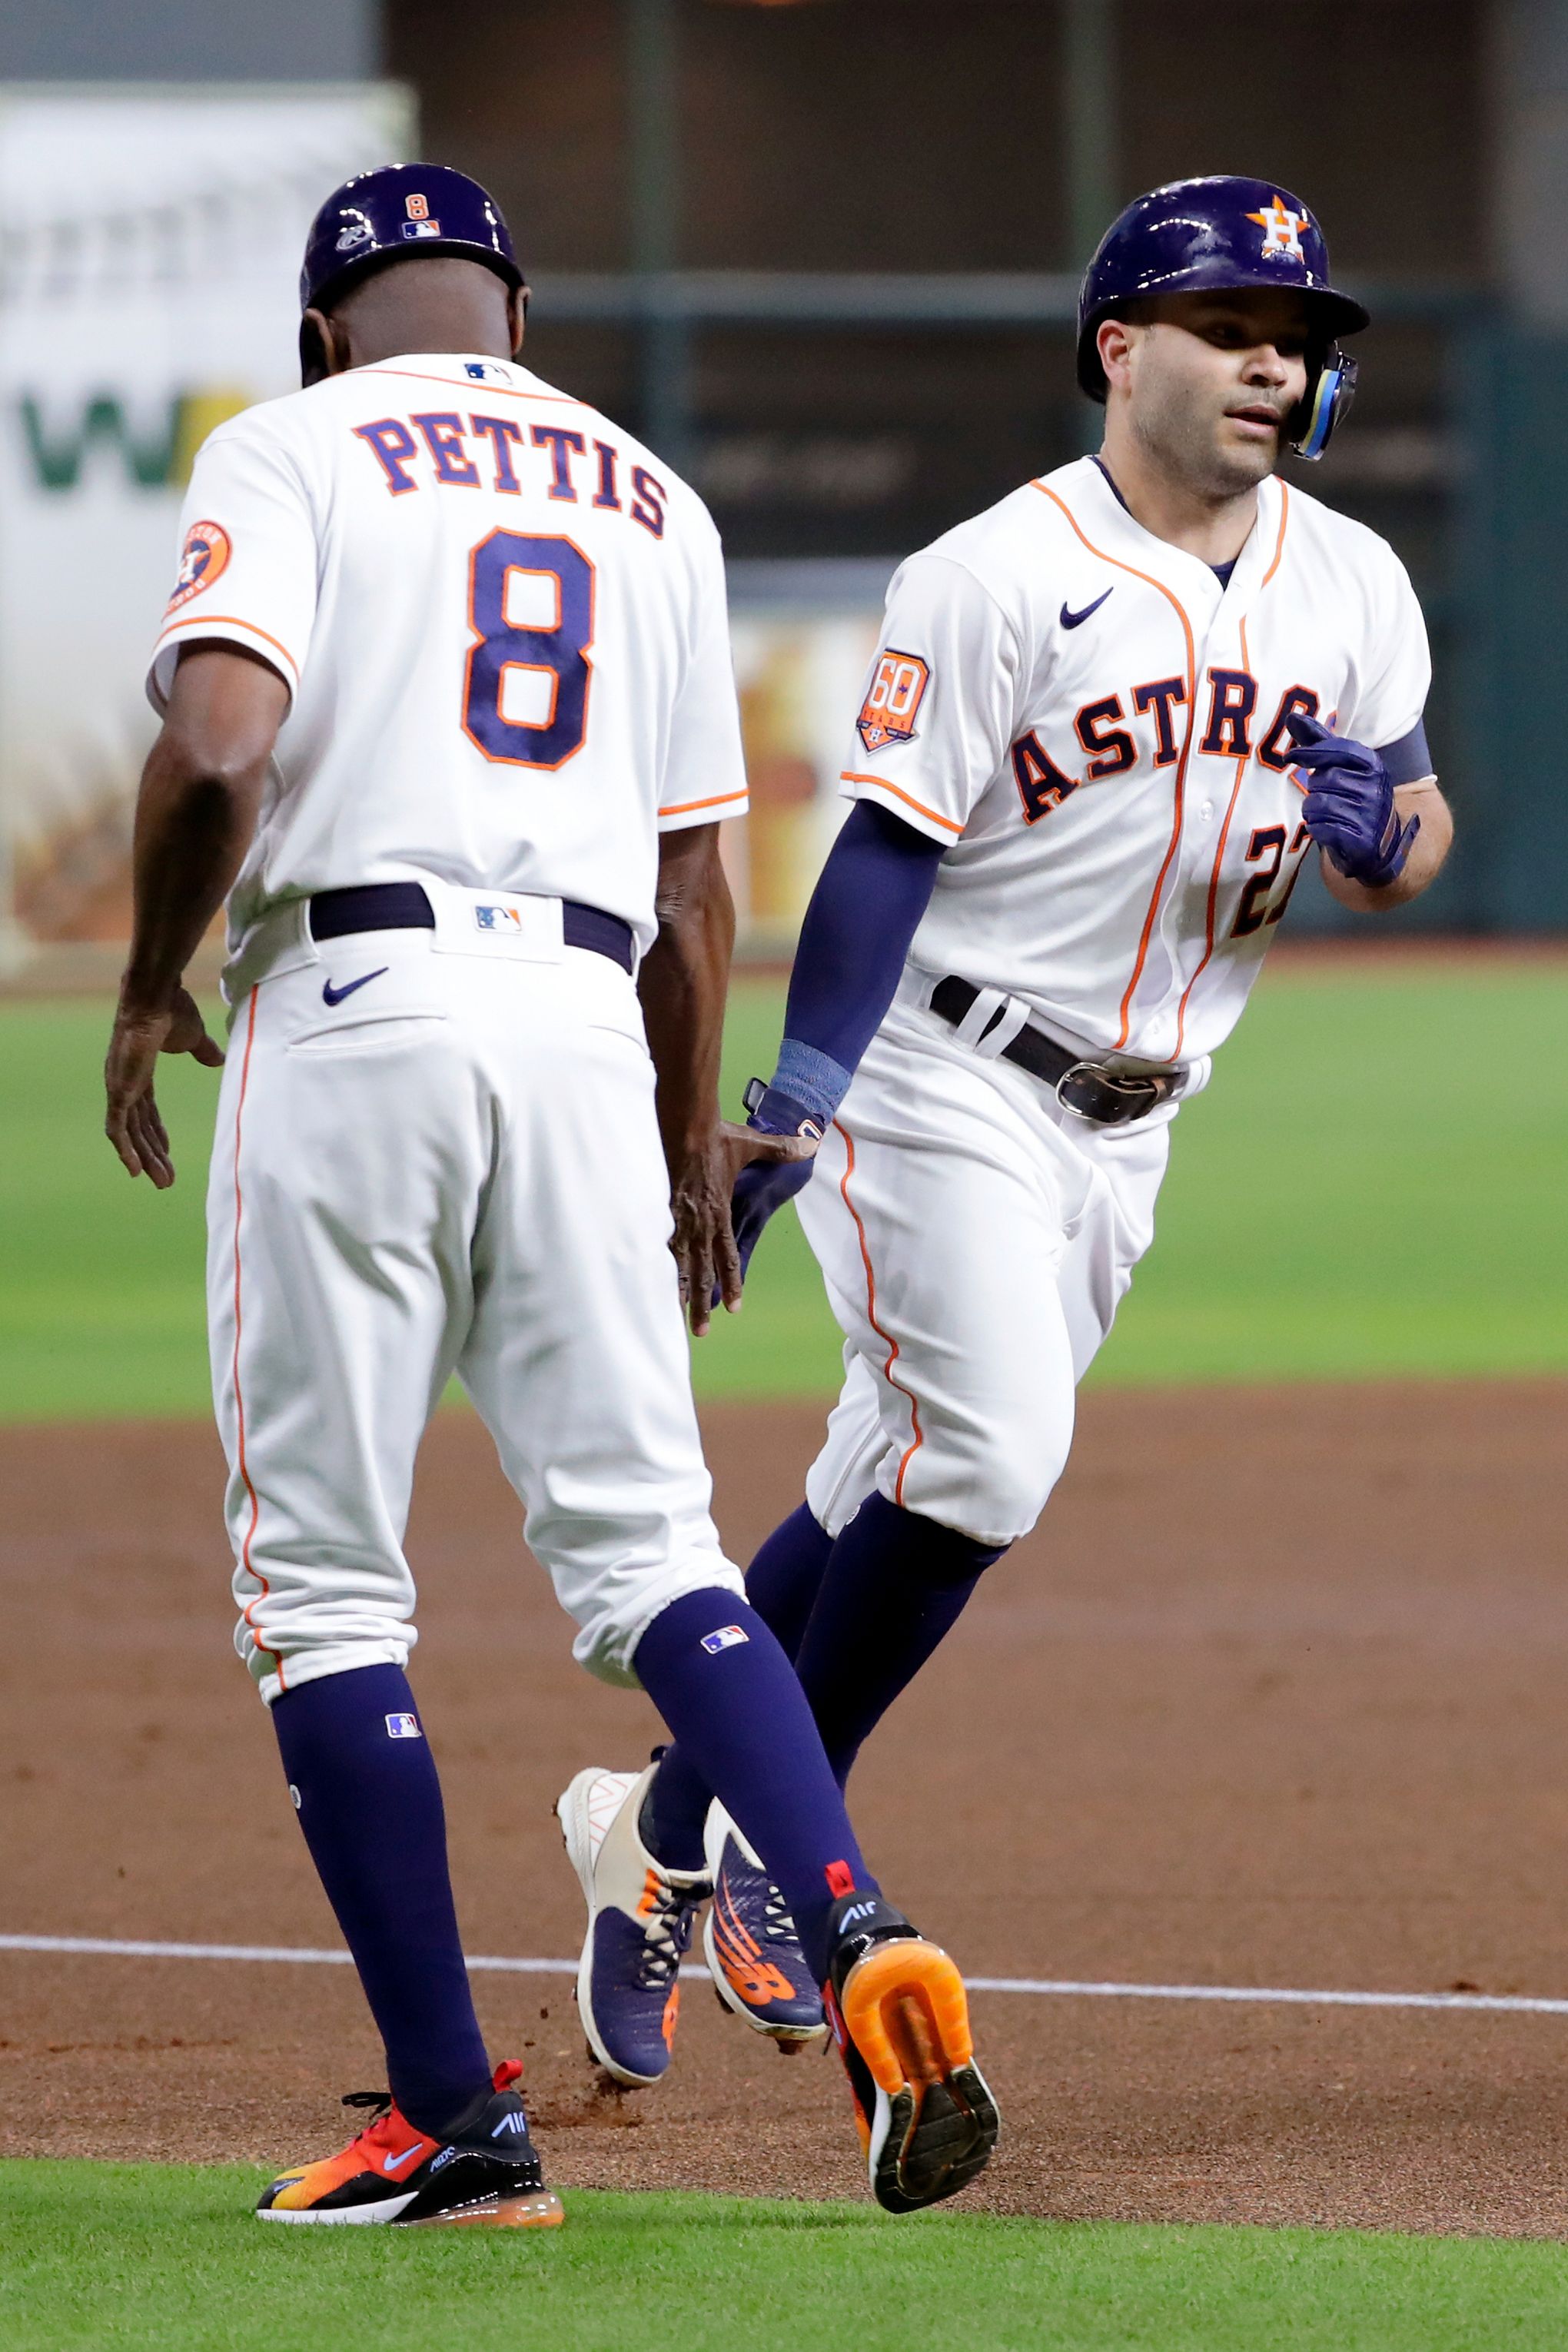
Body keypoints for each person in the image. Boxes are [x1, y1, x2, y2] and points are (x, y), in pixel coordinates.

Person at [103, 163, 997, 2224]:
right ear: (515, 307)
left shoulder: (295, 439)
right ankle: (858, 1933)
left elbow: (222, 748)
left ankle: (455, 2122)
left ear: (330, 323)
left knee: (323, 1585)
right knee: (654, 1556)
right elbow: (700, 880)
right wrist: (691, 1150)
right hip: (595, 1027)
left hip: (361, 1001)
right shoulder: (651, 496)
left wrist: (154, 981)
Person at [564, 174, 1454, 2069]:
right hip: (942, 1070)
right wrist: (796, 1101)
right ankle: (788, 1865)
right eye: (1232, 330)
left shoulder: (1355, 583)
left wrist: (1395, 845)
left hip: (1135, 1121)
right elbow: (886, 847)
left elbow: (1415, 819)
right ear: (1119, 347)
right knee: (990, 1460)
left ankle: (659, 1823)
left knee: (885, 1470)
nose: (1271, 368)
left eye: (1297, 343)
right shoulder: (993, 573)